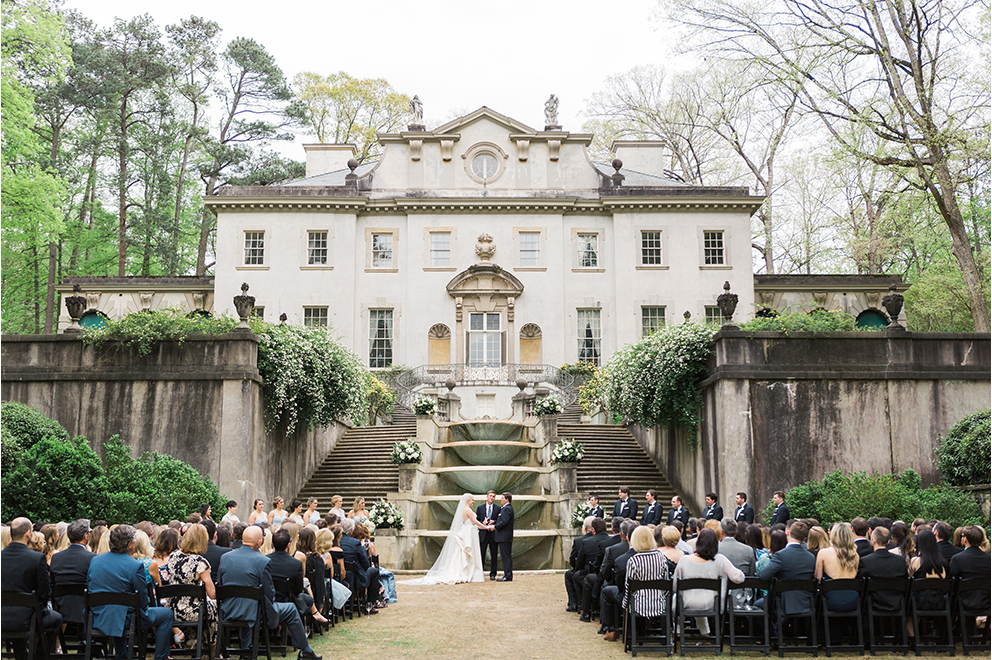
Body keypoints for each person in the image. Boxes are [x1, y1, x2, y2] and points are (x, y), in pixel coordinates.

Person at [217, 526, 321, 660]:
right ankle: (306, 650)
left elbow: (220, 584)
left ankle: (245, 651)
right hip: (255, 612)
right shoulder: (263, 561)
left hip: (227, 610)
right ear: (259, 541)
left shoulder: (225, 557)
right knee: (290, 608)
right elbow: (269, 594)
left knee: (248, 604)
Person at [87, 525, 173, 660]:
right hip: (126, 619)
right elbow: (143, 601)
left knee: (119, 610)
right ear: (130, 544)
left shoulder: (95, 561)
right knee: (167, 614)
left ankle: (121, 654)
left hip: (98, 616)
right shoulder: (134, 566)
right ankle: (161, 657)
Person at [2, 517, 63, 659]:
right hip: (28, 618)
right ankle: (39, 656)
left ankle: (21, 655)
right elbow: (44, 592)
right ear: (28, 534)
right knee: (56, 619)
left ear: (10, 534)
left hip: (1, 616)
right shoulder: (36, 558)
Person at [402, 493, 486, 585]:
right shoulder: (468, 510)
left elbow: (473, 524)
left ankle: (466, 571)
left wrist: (484, 525)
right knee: (466, 552)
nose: (473, 502)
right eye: (472, 500)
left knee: (462, 552)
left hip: (468, 530)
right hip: (468, 532)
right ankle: (467, 572)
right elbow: (475, 522)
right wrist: (486, 527)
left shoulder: (464, 509)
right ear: (468, 500)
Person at [675, 528, 745, 635]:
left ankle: (678, 632)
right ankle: (705, 634)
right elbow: (738, 578)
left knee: (678, 597)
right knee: (702, 596)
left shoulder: (684, 560)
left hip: (687, 603)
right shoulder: (720, 560)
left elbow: (675, 585)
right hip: (712, 604)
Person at [164, 524, 217, 655]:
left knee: (206, 608)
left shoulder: (173, 556)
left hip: (172, 609)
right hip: (192, 611)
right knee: (213, 609)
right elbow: (212, 593)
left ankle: (194, 646)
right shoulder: (201, 562)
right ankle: (212, 650)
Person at [759, 521, 815, 615]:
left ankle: (773, 630)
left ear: (788, 532)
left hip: (783, 603)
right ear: (804, 539)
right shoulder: (811, 557)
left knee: (757, 606)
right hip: (806, 602)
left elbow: (763, 575)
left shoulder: (781, 555)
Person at [50, 519, 95, 628]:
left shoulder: (56, 558)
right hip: (85, 608)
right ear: (86, 536)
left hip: (60, 606)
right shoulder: (92, 558)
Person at [624, 526, 673, 625]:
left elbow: (628, 586)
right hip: (659, 603)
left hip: (639, 604)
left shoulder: (633, 561)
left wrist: (625, 604)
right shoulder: (662, 558)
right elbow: (666, 582)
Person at [858, 527, 908, 612]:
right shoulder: (900, 561)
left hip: (873, 604)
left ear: (873, 540)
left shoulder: (866, 561)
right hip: (897, 604)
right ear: (888, 542)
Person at [815, 522, 859, 612]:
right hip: (853, 601)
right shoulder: (855, 555)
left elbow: (818, 580)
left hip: (830, 601)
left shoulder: (823, 553)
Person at [476, 490, 501, 581]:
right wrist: (482, 523)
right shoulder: (480, 508)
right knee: (481, 554)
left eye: (493, 496)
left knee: (494, 555)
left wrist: (494, 521)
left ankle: (493, 574)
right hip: (483, 534)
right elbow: (476, 520)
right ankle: (480, 573)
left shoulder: (498, 508)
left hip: (493, 535)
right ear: (487, 497)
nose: (492, 498)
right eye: (490, 496)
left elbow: (501, 521)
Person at [492, 492, 515, 581]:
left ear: (507, 499)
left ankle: (507, 575)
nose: (500, 499)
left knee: (506, 557)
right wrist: (494, 522)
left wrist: (494, 527)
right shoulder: (506, 509)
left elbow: (504, 522)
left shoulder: (507, 509)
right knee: (506, 556)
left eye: (502, 498)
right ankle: (507, 574)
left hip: (504, 537)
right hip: (504, 537)